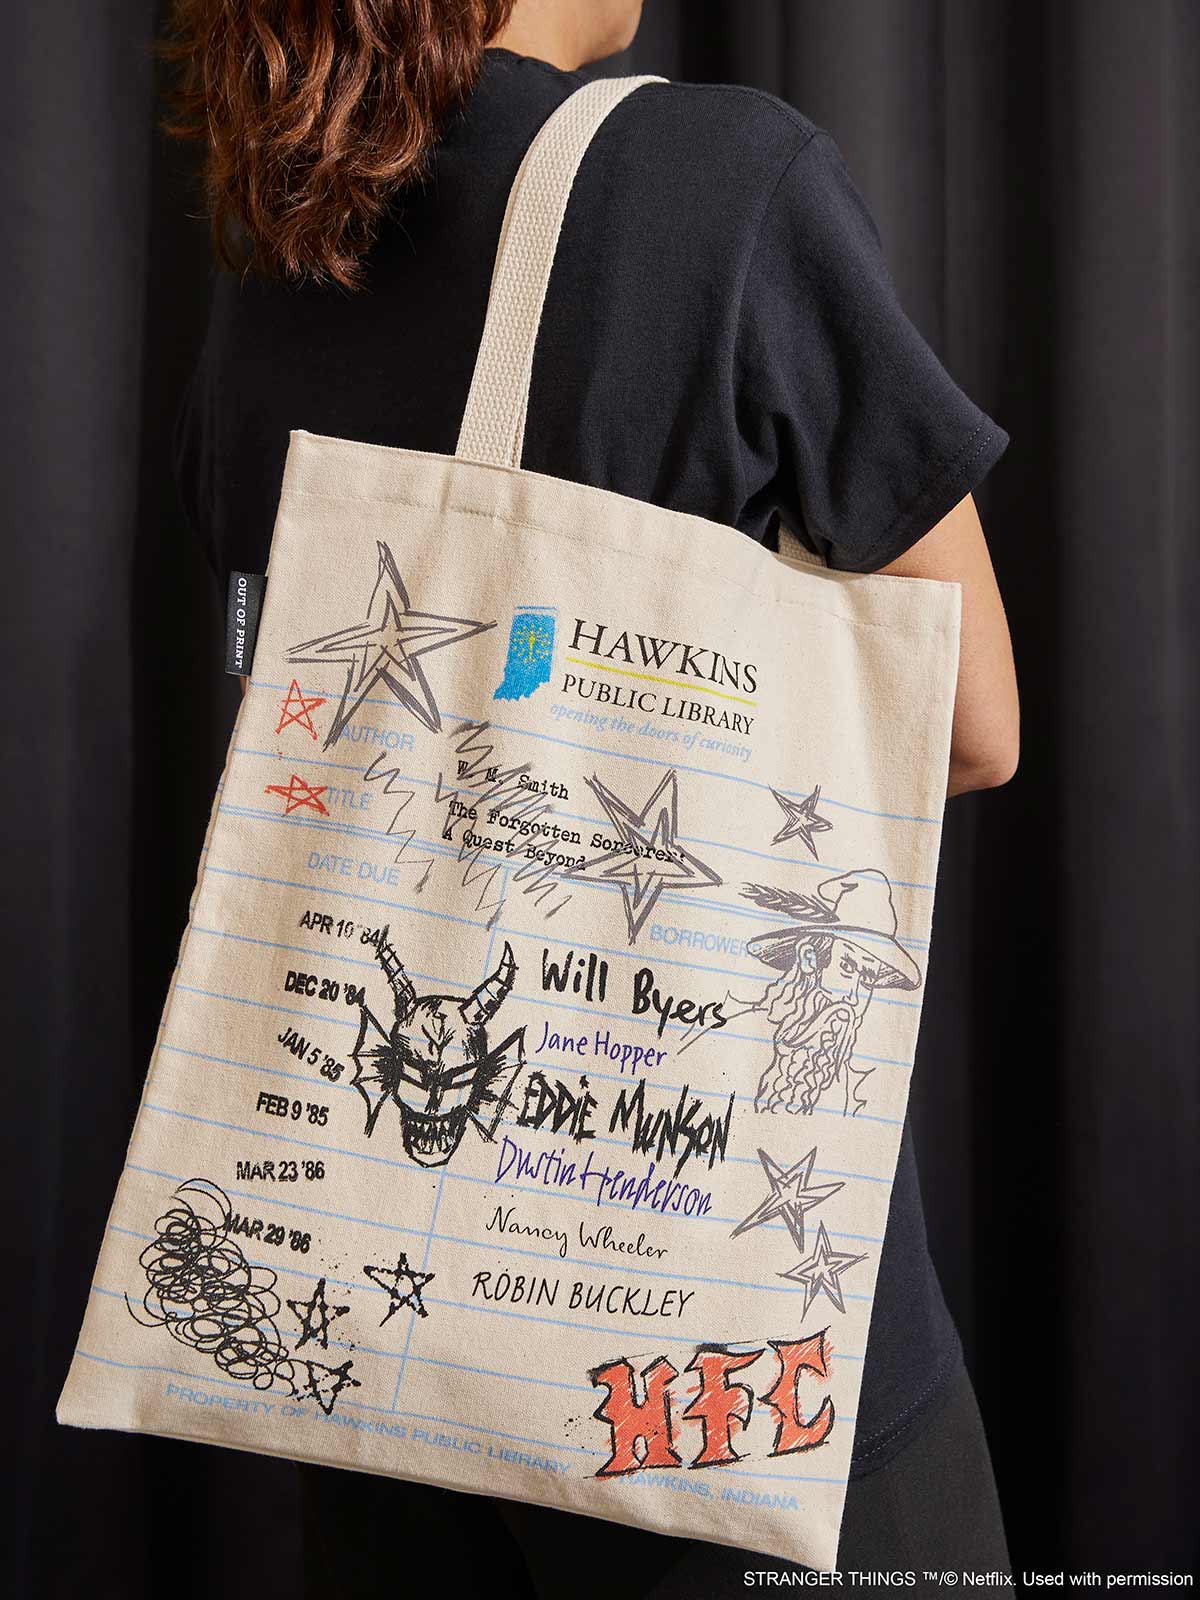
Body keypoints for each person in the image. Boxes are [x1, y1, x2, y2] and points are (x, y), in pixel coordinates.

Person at [167, 0, 1019, 1589]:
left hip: (378, 1351)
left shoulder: (286, 240)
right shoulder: (721, 179)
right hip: (713, 1363)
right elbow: (972, 726)